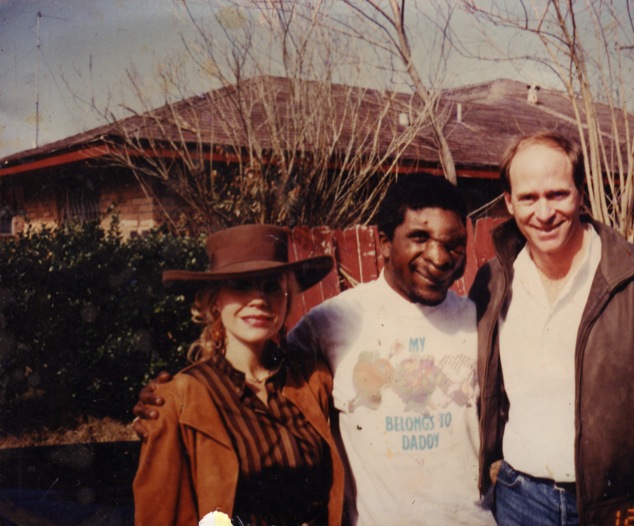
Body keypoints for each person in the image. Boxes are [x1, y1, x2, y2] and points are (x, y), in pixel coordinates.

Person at [134, 174, 493, 525]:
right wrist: (164, 401)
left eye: (272, 286)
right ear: (384, 243)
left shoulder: (478, 321)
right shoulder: (334, 320)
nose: (438, 257)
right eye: (242, 286)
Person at [468, 132, 634, 525]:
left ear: (581, 194)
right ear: (509, 203)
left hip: (621, 509)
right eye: (528, 198)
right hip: (520, 502)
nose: (544, 212)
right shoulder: (494, 280)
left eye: (557, 194)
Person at [132, 224, 345, 526]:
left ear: (287, 297)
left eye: (272, 285)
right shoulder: (178, 400)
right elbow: (161, 516)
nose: (259, 299)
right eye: (241, 285)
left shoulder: (313, 381)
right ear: (214, 300)